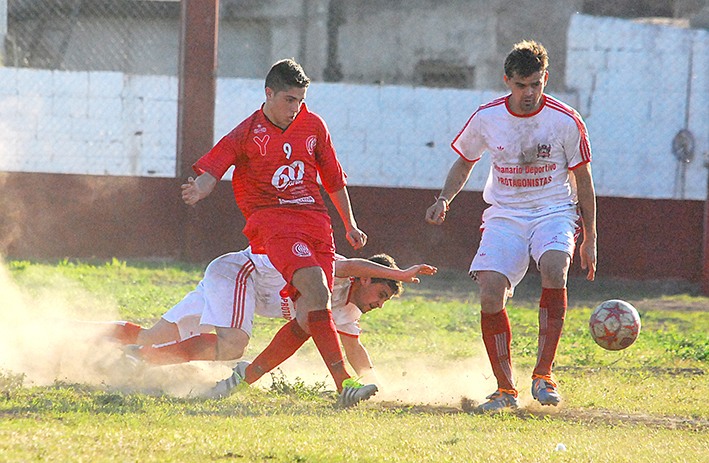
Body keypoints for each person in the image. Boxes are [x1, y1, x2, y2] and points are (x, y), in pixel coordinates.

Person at [180, 58, 375, 407]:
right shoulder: (247, 133)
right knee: (316, 289)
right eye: (289, 100)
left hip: (316, 222)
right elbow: (214, 167)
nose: (295, 108)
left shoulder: (313, 126)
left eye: (300, 100)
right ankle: (344, 383)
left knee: (309, 314)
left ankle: (243, 378)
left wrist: (350, 223)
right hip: (274, 223)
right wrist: (201, 188)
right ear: (268, 94)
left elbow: (333, 180)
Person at [425, 40, 597, 412]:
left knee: (555, 267)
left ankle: (543, 374)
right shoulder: (487, 117)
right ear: (508, 81)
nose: (529, 93)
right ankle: (506, 390)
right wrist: (444, 198)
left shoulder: (565, 120)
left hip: (554, 210)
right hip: (505, 214)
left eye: (536, 84)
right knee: (490, 292)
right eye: (521, 85)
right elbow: (464, 161)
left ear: (545, 79)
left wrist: (591, 238)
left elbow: (583, 179)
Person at [106, 249, 436, 405]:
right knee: (233, 346)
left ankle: (133, 353)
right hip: (239, 273)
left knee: (154, 337)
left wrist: (376, 383)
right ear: (364, 278)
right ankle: (119, 348)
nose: (379, 303)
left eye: (385, 301)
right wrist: (400, 273)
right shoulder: (333, 270)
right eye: (380, 293)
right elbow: (347, 262)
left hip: (239, 290)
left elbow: (354, 349)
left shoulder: (348, 309)